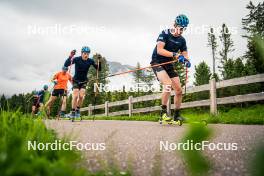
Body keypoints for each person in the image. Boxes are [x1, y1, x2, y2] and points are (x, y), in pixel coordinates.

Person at [150, 14, 191, 123]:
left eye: (183, 29)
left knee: (178, 90)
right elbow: (160, 50)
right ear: (174, 25)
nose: (180, 31)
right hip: (157, 62)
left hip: (168, 65)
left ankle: (176, 115)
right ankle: (162, 114)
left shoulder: (182, 40)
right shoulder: (165, 34)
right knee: (167, 84)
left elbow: (185, 54)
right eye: (179, 28)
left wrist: (186, 61)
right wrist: (176, 55)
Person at [64, 46, 101, 119]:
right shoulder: (77, 59)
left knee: (81, 96)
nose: (86, 55)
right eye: (84, 53)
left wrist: (99, 61)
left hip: (84, 81)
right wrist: (71, 56)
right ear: (81, 53)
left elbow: (98, 69)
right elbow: (66, 64)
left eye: (87, 53)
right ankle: (73, 111)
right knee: (75, 96)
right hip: (76, 80)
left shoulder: (90, 61)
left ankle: (77, 110)